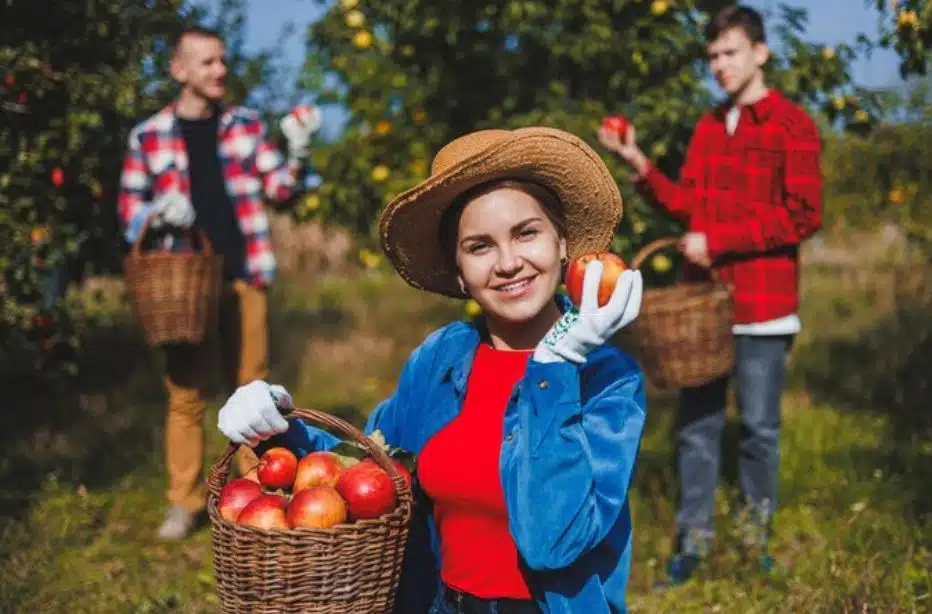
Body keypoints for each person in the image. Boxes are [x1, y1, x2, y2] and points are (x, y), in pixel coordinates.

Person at [216, 127, 647, 613]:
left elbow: (555, 542)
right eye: (480, 246)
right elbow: (368, 461)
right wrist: (278, 425)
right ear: (460, 271)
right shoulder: (443, 358)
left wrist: (555, 366)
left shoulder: (607, 378)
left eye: (526, 233)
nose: (509, 263)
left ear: (563, 243)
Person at [597, 3, 823, 584]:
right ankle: (692, 544)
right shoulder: (707, 125)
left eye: (729, 53)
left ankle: (753, 542)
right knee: (696, 429)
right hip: (704, 312)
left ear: (759, 52)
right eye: (713, 57)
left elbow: (803, 214)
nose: (719, 66)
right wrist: (637, 162)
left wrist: (718, 241)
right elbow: (687, 208)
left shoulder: (792, 126)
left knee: (758, 430)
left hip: (762, 308)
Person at [117, 25, 322, 541]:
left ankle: (257, 495)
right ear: (179, 70)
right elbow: (128, 215)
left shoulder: (246, 127)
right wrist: (158, 214)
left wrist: (297, 152)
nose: (220, 71)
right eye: (207, 63)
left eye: (223, 61)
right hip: (187, 288)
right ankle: (183, 502)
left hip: (244, 273)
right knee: (186, 394)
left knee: (253, 392)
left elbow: (280, 191)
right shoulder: (148, 136)